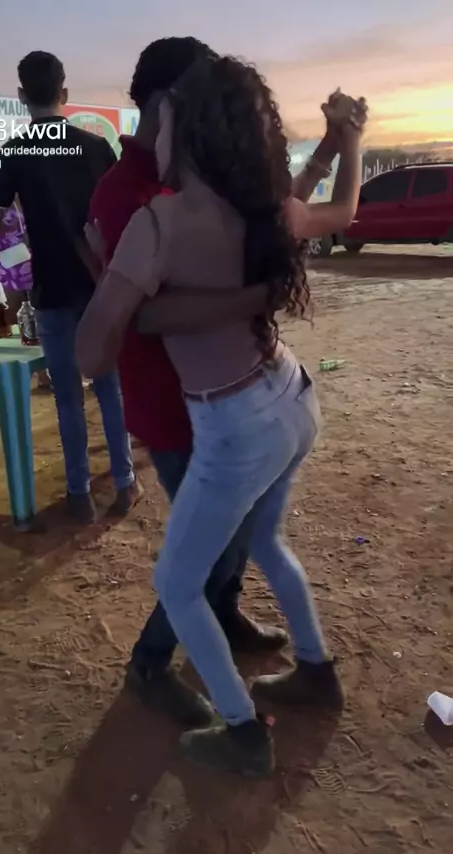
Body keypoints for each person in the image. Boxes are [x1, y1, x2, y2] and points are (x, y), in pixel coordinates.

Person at [78, 55, 366, 778]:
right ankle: (315, 670)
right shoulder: (264, 210)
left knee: (178, 585)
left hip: (234, 423)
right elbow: (341, 212)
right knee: (264, 540)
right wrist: (350, 139)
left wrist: (113, 279)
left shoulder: (160, 222)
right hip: (290, 397)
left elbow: (90, 351)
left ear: (186, 129)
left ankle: (241, 730)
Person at [0, 51, 138, 524]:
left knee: (67, 396)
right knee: (109, 387)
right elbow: (120, 220)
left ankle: (79, 494)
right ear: (64, 93)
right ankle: (125, 482)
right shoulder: (97, 147)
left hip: (50, 290)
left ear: (22, 95)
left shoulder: (13, 152)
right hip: (99, 287)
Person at [0, 176, 51, 391]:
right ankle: (3, 383)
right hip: (3, 265)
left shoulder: (32, 186)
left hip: (30, 261)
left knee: (36, 319)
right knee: (6, 324)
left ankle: (43, 374)